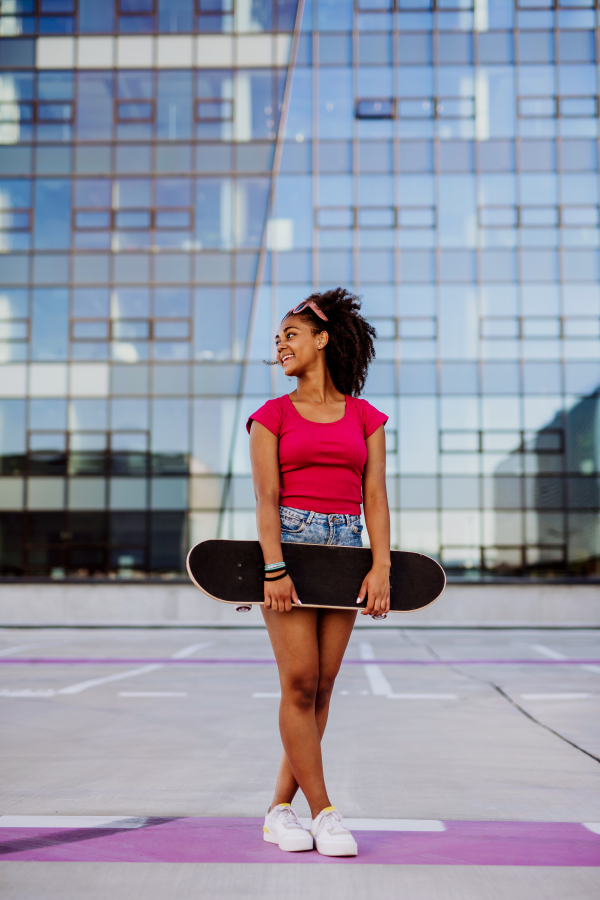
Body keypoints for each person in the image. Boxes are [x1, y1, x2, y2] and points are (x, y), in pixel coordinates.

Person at [246, 287, 391, 857]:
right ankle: (324, 811)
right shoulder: (271, 414)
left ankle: (278, 810)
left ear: (323, 339)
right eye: (277, 339)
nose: (280, 345)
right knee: (299, 682)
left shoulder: (365, 416)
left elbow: (374, 496)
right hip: (292, 547)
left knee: (324, 686)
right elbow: (265, 498)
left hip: (347, 549)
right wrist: (274, 567)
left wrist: (380, 566)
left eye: (291, 334)